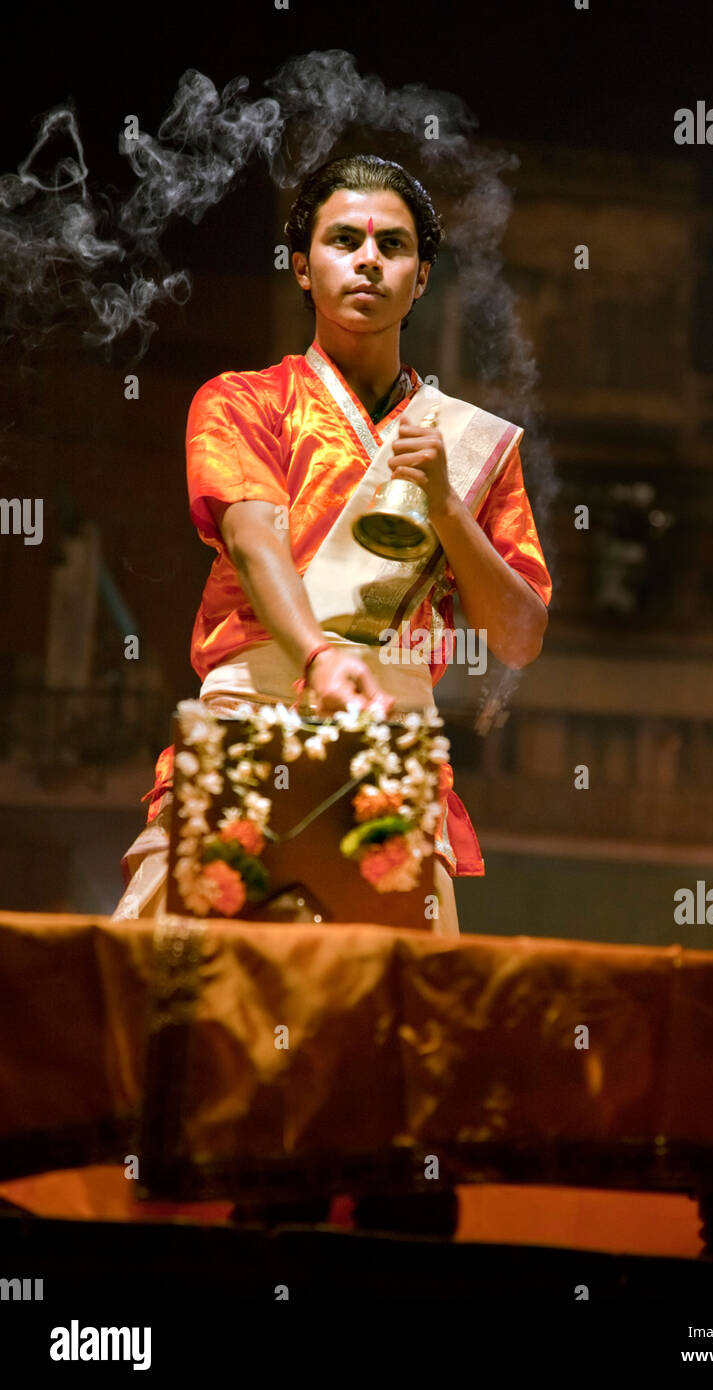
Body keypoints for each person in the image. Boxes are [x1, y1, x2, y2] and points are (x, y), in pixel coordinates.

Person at [112, 153, 552, 939]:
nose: (368, 261)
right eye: (343, 240)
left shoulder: (471, 448)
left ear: (421, 280)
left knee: (393, 1031)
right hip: (251, 724)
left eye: (394, 247)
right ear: (302, 268)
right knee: (170, 996)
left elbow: (518, 637)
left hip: (392, 753)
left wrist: (447, 508)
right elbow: (254, 542)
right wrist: (317, 657)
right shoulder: (243, 400)